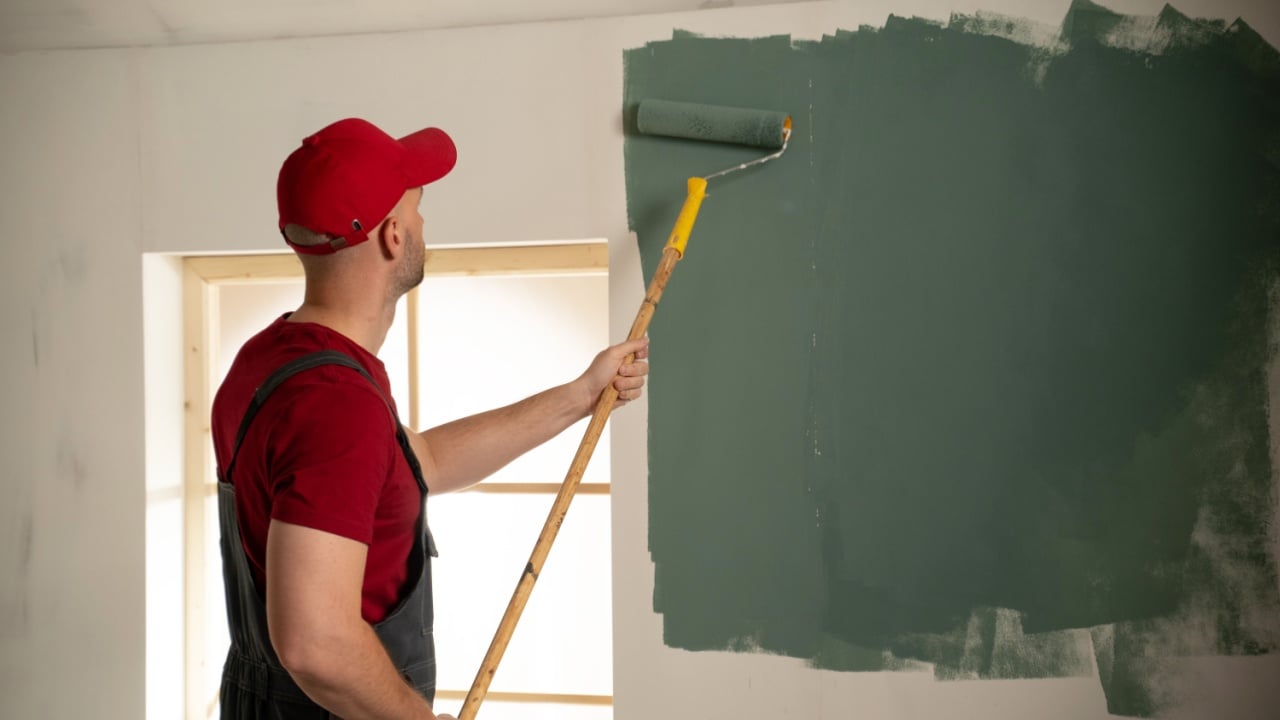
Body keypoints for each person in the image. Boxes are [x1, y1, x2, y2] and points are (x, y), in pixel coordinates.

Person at [210, 117, 649, 720]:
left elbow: (422, 463)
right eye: (418, 207)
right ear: (393, 237)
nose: (422, 222)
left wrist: (581, 394)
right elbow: (315, 644)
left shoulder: (272, 359)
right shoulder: (336, 404)